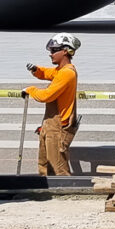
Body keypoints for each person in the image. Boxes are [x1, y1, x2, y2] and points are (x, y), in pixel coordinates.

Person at [23, 33, 81, 176]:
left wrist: (30, 90)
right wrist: (37, 70)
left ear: (66, 51)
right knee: (44, 165)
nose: (51, 54)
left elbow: (46, 96)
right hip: (50, 125)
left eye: (54, 50)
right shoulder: (60, 71)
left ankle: (65, 192)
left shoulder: (67, 73)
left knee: (58, 167)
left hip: (59, 126)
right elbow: (48, 73)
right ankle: (47, 191)